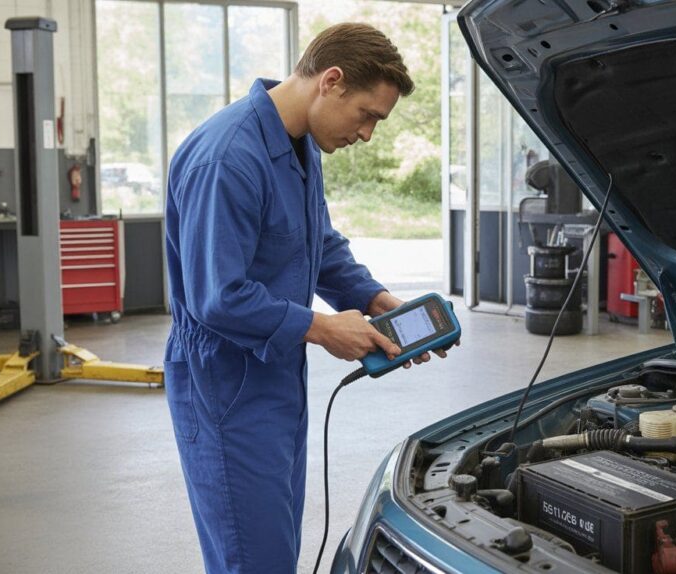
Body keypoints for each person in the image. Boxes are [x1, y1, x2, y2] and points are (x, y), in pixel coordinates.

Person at [162, 23, 445, 573]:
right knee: (253, 557)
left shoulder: (298, 145)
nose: (367, 134)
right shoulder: (228, 159)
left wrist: (374, 297)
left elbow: (320, 245)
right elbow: (216, 297)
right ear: (331, 81)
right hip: (224, 383)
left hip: (274, 374)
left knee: (274, 546)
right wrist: (321, 327)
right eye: (368, 115)